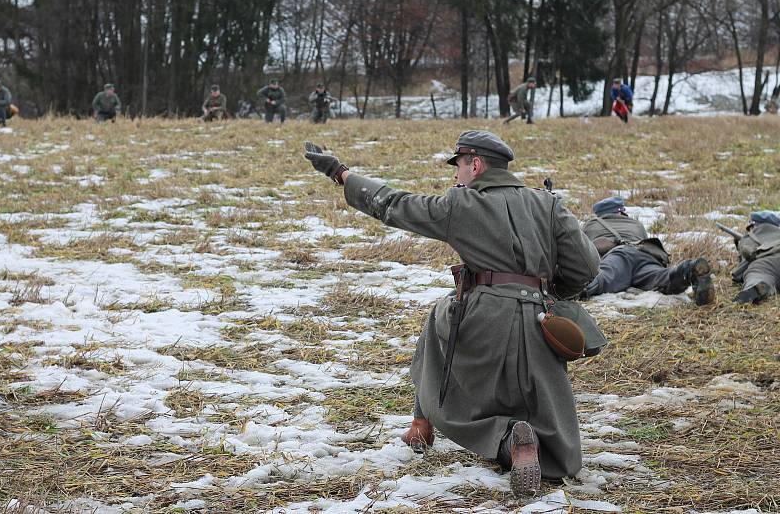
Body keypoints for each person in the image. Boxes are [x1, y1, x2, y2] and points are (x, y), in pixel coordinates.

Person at [303, 130, 600, 495]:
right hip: (543, 322)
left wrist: (341, 174)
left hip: (482, 317)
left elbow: (394, 204)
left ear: (475, 164)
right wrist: (548, 295)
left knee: (439, 319)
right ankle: (525, 440)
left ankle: (456, 429)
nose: (456, 176)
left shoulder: (461, 205)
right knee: (558, 452)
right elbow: (586, 266)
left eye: (458, 166)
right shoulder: (548, 203)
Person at [581, 196, 714, 305]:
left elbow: (581, 251)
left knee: (602, 278)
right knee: (663, 278)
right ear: (621, 212)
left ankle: (576, 290)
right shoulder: (636, 224)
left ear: (599, 215)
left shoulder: (591, 225)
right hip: (646, 253)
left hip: (618, 256)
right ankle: (688, 270)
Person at [729, 211, 780, 304]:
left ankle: (755, 287)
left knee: (757, 273)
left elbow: (748, 254)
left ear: (753, 225)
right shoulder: (777, 233)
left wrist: (740, 244)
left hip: (768, 263)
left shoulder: (752, 235)